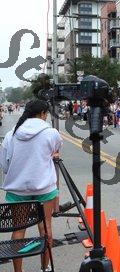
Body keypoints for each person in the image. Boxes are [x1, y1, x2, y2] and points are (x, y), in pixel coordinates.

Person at [0, 100, 62, 272]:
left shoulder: (11, 135)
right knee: (46, 227)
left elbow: (5, 166)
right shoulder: (51, 133)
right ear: (42, 113)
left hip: (18, 189)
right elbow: (56, 149)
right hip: (44, 188)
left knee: (18, 230)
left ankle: (18, 271)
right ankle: (45, 267)